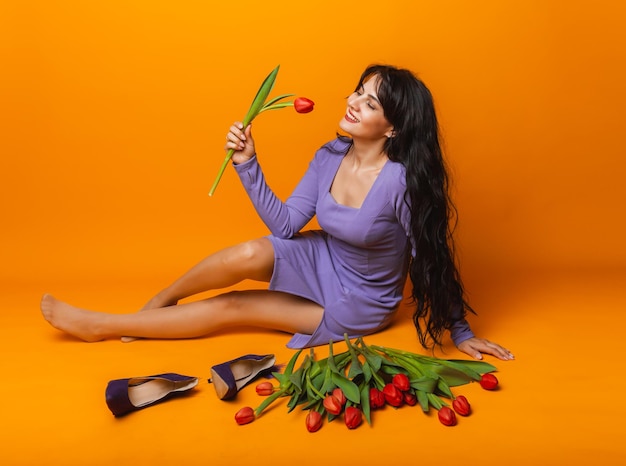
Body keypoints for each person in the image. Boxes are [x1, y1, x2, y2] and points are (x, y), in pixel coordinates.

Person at [41, 64, 514, 361]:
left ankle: (100, 324)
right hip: (322, 257)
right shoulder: (330, 154)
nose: (351, 102)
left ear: (392, 127)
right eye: (357, 91)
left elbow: (431, 258)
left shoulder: (400, 183)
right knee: (247, 253)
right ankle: (163, 299)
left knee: (235, 307)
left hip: (358, 299)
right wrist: (248, 164)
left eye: (370, 102)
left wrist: (461, 329)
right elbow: (287, 225)